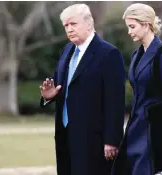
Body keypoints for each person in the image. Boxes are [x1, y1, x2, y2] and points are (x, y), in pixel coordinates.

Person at [39, 4, 126, 175]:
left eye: (73, 24)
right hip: (65, 136)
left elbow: (115, 100)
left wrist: (112, 140)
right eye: (66, 26)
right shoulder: (67, 51)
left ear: (89, 23)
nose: (69, 29)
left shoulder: (108, 54)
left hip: (93, 140)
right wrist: (49, 96)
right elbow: (60, 86)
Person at [111, 3, 162, 175]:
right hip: (135, 127)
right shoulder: (136, 55)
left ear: (146, 24)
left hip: (154, 130)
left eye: (132, 26)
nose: (129, 32)